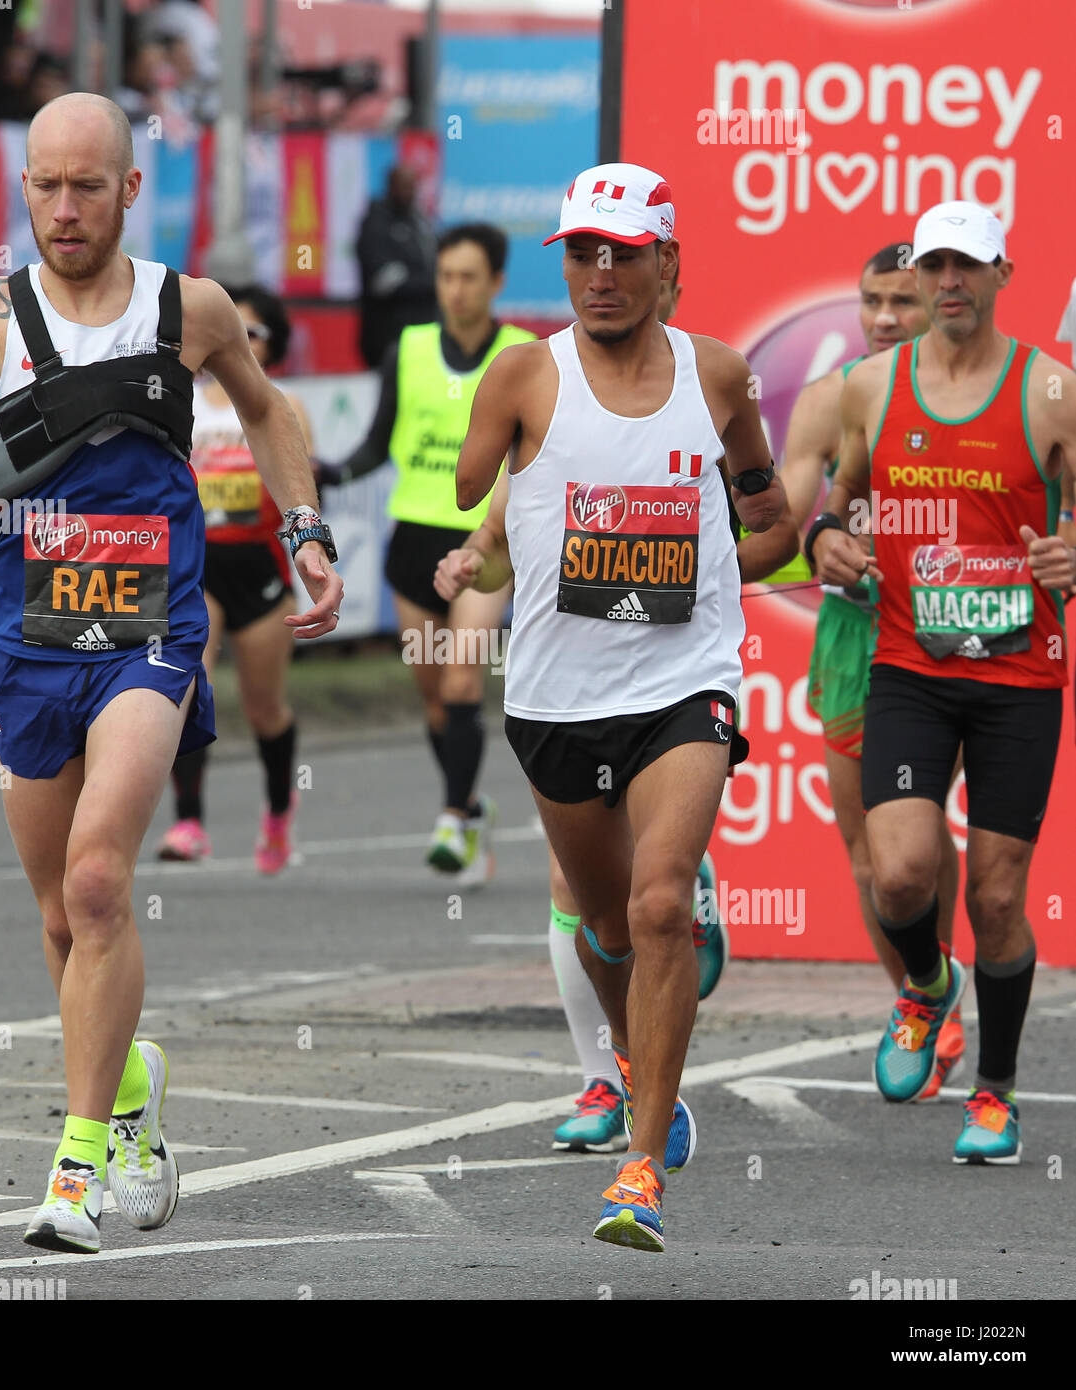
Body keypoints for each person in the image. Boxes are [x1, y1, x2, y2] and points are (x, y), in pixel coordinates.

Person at [0, 93, 341, 1253]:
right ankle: (127, 1092)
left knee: (100, 882)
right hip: (28, 631)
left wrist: (302, 526)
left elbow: (270, 414)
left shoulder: (191, 308)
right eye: (44, 186)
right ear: (24, 190)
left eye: (87, 186)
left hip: (150, 629)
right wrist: (109, 396)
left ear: (128, 189)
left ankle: (73, 1169)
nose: (63, 209)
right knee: (60, 918)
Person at [454, 163, 786, 1250]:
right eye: (581, 254)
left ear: (664, 264)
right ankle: (647, 1071)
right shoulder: (519, 375)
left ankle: (637, 1167)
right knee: (601, 925)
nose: (599, 275)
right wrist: (480, 549)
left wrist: (775, 543)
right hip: (556, 696)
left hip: (683, 682)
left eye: (621, 253)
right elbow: (477, 492)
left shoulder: (721, 375)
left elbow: (762, 507)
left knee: (656, 907)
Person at [809, 200, 1076, 1163]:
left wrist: (1071, 557)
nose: (950, 282)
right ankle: (925, 986)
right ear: (916, 282)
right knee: (900, 872)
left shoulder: (1050, 391)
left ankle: (995, 1093)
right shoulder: (870, 391)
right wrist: (828, 540)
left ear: (1002, 274)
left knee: (999, 899)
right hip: (909, 669)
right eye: (935, 267)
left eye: (968, 265)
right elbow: (833, 507)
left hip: (1017, 679)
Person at [781, 241, 965, 1101]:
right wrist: (817, 539)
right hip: (858, 639)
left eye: (903, 300)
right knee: (870, 858)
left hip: (955, 632)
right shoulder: (830, 399)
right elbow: (782, 521)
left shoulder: (983, 392)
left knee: (921, 836)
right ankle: (917, 997)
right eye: (871, 301)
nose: (885, 317)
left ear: (937, 300)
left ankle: (942, 981)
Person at [326, 222, 534, 881]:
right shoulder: (408, 350)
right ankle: (471, 808)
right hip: (411, 540)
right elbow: (376, 442)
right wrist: (328, 473)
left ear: (496, 282)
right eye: (446, 276)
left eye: (469, 277)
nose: (456, 291)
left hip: (487, 544)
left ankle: (449, 817)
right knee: (437, 701)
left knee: (463, 676)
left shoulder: (525, 355)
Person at [157, 284, 313, 872]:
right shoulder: (185, 401)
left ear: (271, 347)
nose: (241, 342)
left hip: (262, 574)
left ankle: (277, 812)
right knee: (187, 682)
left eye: (255, 334)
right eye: (234, 331)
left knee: (264, 707)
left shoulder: (283, 407)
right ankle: (189, 821)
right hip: (199, 566)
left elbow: (301, 485)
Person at [355, 165, 438, 370]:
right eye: (404, 187)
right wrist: (431, 282)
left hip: (423, 333)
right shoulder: (376, 224)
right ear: (390, 187)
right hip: (386, 337)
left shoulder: (419, 222)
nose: (410, 193)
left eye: (413, 187)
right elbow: (384, 282)